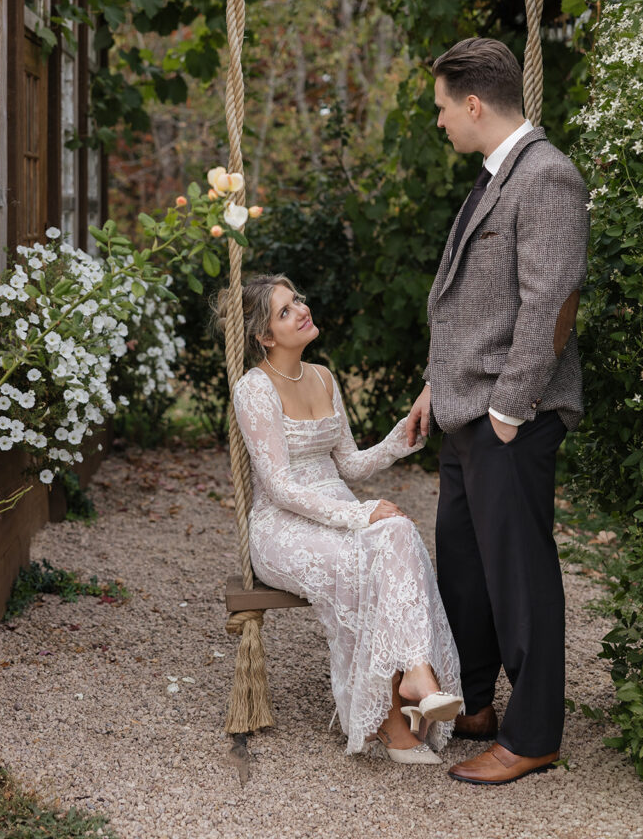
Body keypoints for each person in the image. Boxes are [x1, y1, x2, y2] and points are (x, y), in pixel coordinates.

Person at [406, 38, 590, 785]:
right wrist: (433, 385)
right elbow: (471, 304)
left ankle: (533, 734)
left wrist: (509, 413)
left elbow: (553, 303)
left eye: (443, 108)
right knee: (465, 566)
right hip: (464, 411)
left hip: (508, 415)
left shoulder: (546, 177)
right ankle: (476, 703)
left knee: (519, 577)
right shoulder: (496, 175)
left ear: (474, 104)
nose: (440, 121)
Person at [219, 274, 462, 764]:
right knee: (362, 563)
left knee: (398, 532)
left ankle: (416, 671)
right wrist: (357, 513)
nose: (301, 310)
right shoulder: (253, 390)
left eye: (298, 300)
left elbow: (347, 463)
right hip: (283, 527)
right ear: (265, 336)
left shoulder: (324, 376)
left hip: (335, 511)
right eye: (285, 311)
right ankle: (393, 723)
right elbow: (282, 487)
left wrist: (401, 438)